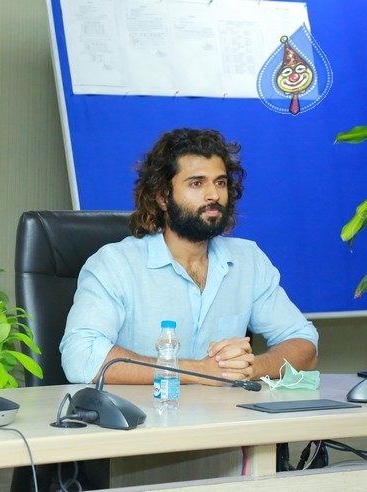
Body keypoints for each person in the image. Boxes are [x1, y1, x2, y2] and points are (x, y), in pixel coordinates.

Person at [60, 128, 318, 386]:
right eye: (196, 183)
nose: (214, 195)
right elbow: (81, 358)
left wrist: (250, 367)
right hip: (140, 420)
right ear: (162, 197)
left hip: (225, 419)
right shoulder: (115, 264)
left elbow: (304, 343)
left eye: (220, 182)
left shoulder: (248, 259)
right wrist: (198, 371)